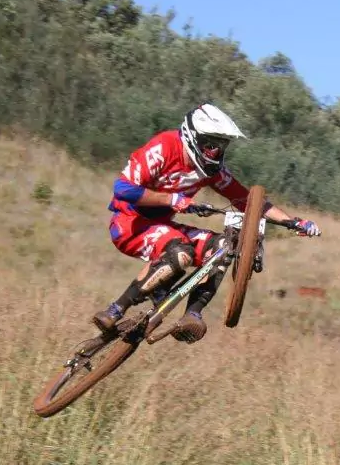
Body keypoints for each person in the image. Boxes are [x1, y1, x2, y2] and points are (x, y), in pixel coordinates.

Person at [92, 103, 321, 343]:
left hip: (163, 228)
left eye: (221, 147)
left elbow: (248, 202)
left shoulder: (212, 172)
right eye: (210, 145)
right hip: (130, 224)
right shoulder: (164, 148)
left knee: (224, 246)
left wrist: (294, 222)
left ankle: (192, 315)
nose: (215, 153)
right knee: (181, 251)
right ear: (193, 137)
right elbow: (122, 189)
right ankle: (115, 310)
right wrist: (171, 199)